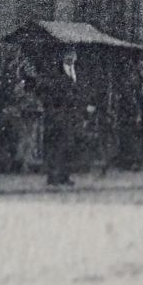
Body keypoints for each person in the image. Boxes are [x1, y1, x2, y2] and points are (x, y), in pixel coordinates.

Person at [38, 47, 86, 187]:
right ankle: (53, 177)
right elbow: (50, 94)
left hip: (72, 117)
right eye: (68, 55)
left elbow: (81, 91)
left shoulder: (77, 71)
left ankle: (65, 176)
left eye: (73, 55)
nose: (72, 57)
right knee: (55, 148)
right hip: (58, 117)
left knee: (68, 148)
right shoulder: (55, 72)